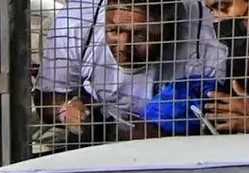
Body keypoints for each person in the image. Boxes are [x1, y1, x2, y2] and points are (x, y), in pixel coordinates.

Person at [34, 0, 227, 143]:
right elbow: (46, 97)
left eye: (139, 35)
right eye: (114, 31)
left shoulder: (208, 34)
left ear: (170, 25)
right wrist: (66, 112)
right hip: (98, 131)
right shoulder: (75, 21)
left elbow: (219, 113)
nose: (123, 46)